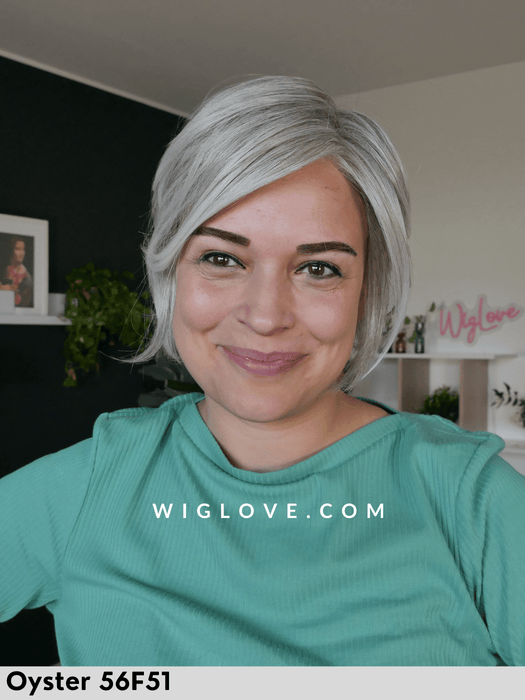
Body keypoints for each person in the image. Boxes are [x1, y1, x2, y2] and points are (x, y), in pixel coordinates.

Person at [1, 76, 524, 666]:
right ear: (172, 272)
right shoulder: (86, 487)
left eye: (319, 269)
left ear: (367, 291)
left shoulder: (474, 501)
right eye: (221, 258)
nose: (266, 316)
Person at [0, 237, 33, 307]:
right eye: (18, 249)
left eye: (23, 249)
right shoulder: (5, 269)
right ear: (11, 250)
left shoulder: (27, 278)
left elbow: (23, 305)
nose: (21, 253)